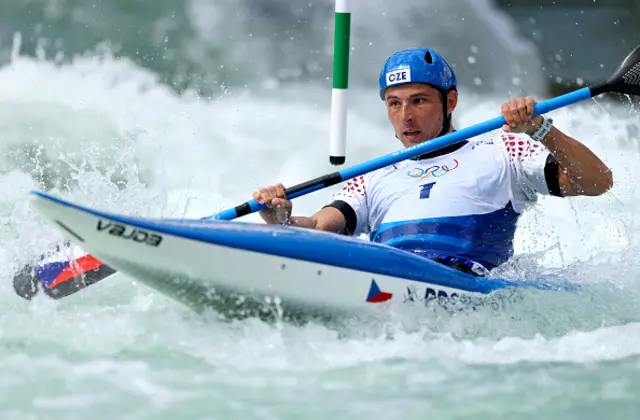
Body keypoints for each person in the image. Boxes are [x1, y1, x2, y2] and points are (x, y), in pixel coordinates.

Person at [253, 47, 613, 276]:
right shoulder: (372, 175)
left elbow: (598, 182)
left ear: (450, 101)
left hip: (468, 287)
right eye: (394, 103)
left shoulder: (505, 152)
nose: (405, 115)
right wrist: (280, 218)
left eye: (419, 101)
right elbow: (317, 226)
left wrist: (541, 129)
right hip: (386, 279)